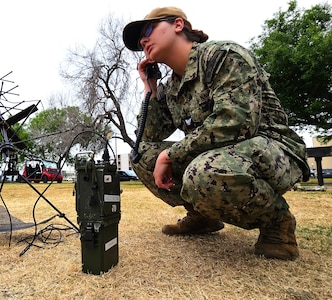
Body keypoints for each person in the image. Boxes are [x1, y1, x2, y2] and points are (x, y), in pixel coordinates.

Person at [122, 7, 310, 260]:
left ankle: (278, 223)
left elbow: (235, 122)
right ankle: (203, 217)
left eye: (148, 30)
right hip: (218, 155)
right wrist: (151, 89)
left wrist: (170, 154)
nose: (143, 40)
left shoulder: (224, 56)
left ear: (178, 25)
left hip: (271, 148)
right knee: (141, 156)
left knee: (204, 171)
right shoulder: (172, 87)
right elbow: (149, 136)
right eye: (138, 40)